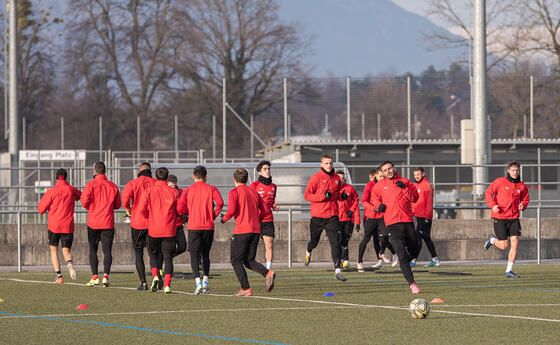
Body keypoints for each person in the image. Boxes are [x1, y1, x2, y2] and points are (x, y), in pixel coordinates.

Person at [221, 168, 275, 297]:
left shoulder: (234, 192)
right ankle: (267, 273)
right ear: (246, 179)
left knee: (235, 260)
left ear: (234, 179)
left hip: (242, 231)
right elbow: (265, 209)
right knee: (249, 260)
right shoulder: (253, 192)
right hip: (256, 230)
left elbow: (232, 210)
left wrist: (223, 219)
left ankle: (246, 288)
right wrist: (255, 217)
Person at [372, 161, 421, 294]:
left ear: (394, 168)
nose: (388, 171)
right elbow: (374, 201)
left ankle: (405, 261)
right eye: (385, 169)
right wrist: (378, 207)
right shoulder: (379, 186)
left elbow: (415, 198)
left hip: (407, 221)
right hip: (392, 225)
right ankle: (412, 284)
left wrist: (405, 188)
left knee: (415, 248)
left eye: (390, 168)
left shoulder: (405, 181)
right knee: (401, 254)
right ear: (382, 172)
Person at [177, 165, 224, 295]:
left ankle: (197, 282)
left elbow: (180, 208)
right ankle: (205, 281)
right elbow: (220, 203)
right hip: (208, 226)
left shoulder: (188, 190)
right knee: (205, 255)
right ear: (206, 177)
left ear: (193, 176)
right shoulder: (211, 188)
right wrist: (213, 215)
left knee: (194, 255)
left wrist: (189, 212)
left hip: (194, 226)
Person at [303, 154, 348, 281]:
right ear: (321, 164)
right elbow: (307, 196)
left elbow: (336, 194)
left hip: (332, 215)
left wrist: (341, 196)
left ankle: (337, 271)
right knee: (314, 241)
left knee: (336, 242)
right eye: (326, 163)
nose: (329, 165)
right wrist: (322, 196)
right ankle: (308, 251)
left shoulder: (336, 178)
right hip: (318, 216)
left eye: (331, 163)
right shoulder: (315, 178)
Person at [483, 161, 530, 278]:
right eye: (513, 170)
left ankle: (509, 270)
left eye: (517, 170)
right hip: (500, 217)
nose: (515, 172)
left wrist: (523, 205)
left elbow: (525, 199)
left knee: (515, 243)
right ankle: (492, 240)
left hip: (514, 218)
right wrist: (493, 205)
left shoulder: (522, 186)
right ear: (508, 171)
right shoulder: (499, 182)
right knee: (504, 245)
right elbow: (488, 192)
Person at [138, 167, 180, 293]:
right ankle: (167, 285)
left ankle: (155, 276)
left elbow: (141, 209)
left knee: (153, 256)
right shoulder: (173, 192)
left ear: (155, 178)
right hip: (169, 229)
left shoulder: (149, 190)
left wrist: (149, 217)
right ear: (167, 178)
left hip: (154, 229)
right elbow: (180, 210)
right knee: (168, 258)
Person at [37, 169, 81, 284]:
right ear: (66, 177)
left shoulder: (52, 191)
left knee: (53, 250)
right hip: (67, 226)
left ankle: (59, 276)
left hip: (54, 226)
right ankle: (70, 263)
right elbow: (80, 196)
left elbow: (40, 209)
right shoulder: (71, 189)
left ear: (56, 178)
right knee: (66, 251)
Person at [81, 162, 121, 287]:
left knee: (93, 250)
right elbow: (118, 205)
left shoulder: (90, 185)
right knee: (107, 251)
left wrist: (91, 207)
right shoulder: (112, 186)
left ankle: (95, 276)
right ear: (105, 171)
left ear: (94, 171)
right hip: (107, 222)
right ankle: (106, 276)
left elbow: (84, 202)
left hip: (93, 222)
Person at [122, 162, 156, 290]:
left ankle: (143, 282)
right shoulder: (155, 183)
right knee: (154, 253)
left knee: (138, 253)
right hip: (153, 222)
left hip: (137, 222)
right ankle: (156, 277)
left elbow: (125, 199)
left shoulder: (133, 183)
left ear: (139, 170)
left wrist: (129, 209)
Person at [359, 167, 397, 272]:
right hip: (371, 216)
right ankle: (360, 262)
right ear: (375, 176)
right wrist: (374, 209)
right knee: (368, 239)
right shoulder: (369, 185)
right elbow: (364, 201)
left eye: (383, 176)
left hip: (382, 216)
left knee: (384, 237)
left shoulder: (386, 185)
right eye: (380, 176)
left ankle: (388, 254)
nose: (382, 178)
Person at [249, 160, 279, 270]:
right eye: (265, 169)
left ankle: (268, 269)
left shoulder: (274, 186)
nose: (268, 171)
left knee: (269, 245)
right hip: (256, 221)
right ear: (259, 172)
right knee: (252, 247)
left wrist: (274, 206)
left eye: (268, 169)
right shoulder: (254, 185)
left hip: (268, 220)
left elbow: (270, 201)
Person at [411, 167, 439, 268]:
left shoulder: (427, 186)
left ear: (423, 174)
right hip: (418, 216)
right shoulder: (415, 185)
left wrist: (428, 217)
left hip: (425, 217)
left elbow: (429, 204)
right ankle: (435, 259)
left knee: (418, 238)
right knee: (426, 238)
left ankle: (413, 259)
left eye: (418, 174)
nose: (416, 177)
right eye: (415, 175)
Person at [335, 170, 360, 270]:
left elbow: (356, 201)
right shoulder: (333, 189)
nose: (341, 180)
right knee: (338, 240)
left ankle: (344, 260)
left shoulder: (350, 188)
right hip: (336, 219)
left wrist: (354, 215)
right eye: (339, 178)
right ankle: (342, 260)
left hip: (348, 220)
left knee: (345, 240)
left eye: (342, 178)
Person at [167, 174, 187, 260]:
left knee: (182, 247)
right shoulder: (164, 193)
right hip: (168, 225)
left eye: (174, 185)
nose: (173, 187)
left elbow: (184, 206)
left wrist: (184, 217)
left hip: (178, 224)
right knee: (169, 248)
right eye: (171, 185)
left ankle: (168, 257)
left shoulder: (180, 192)